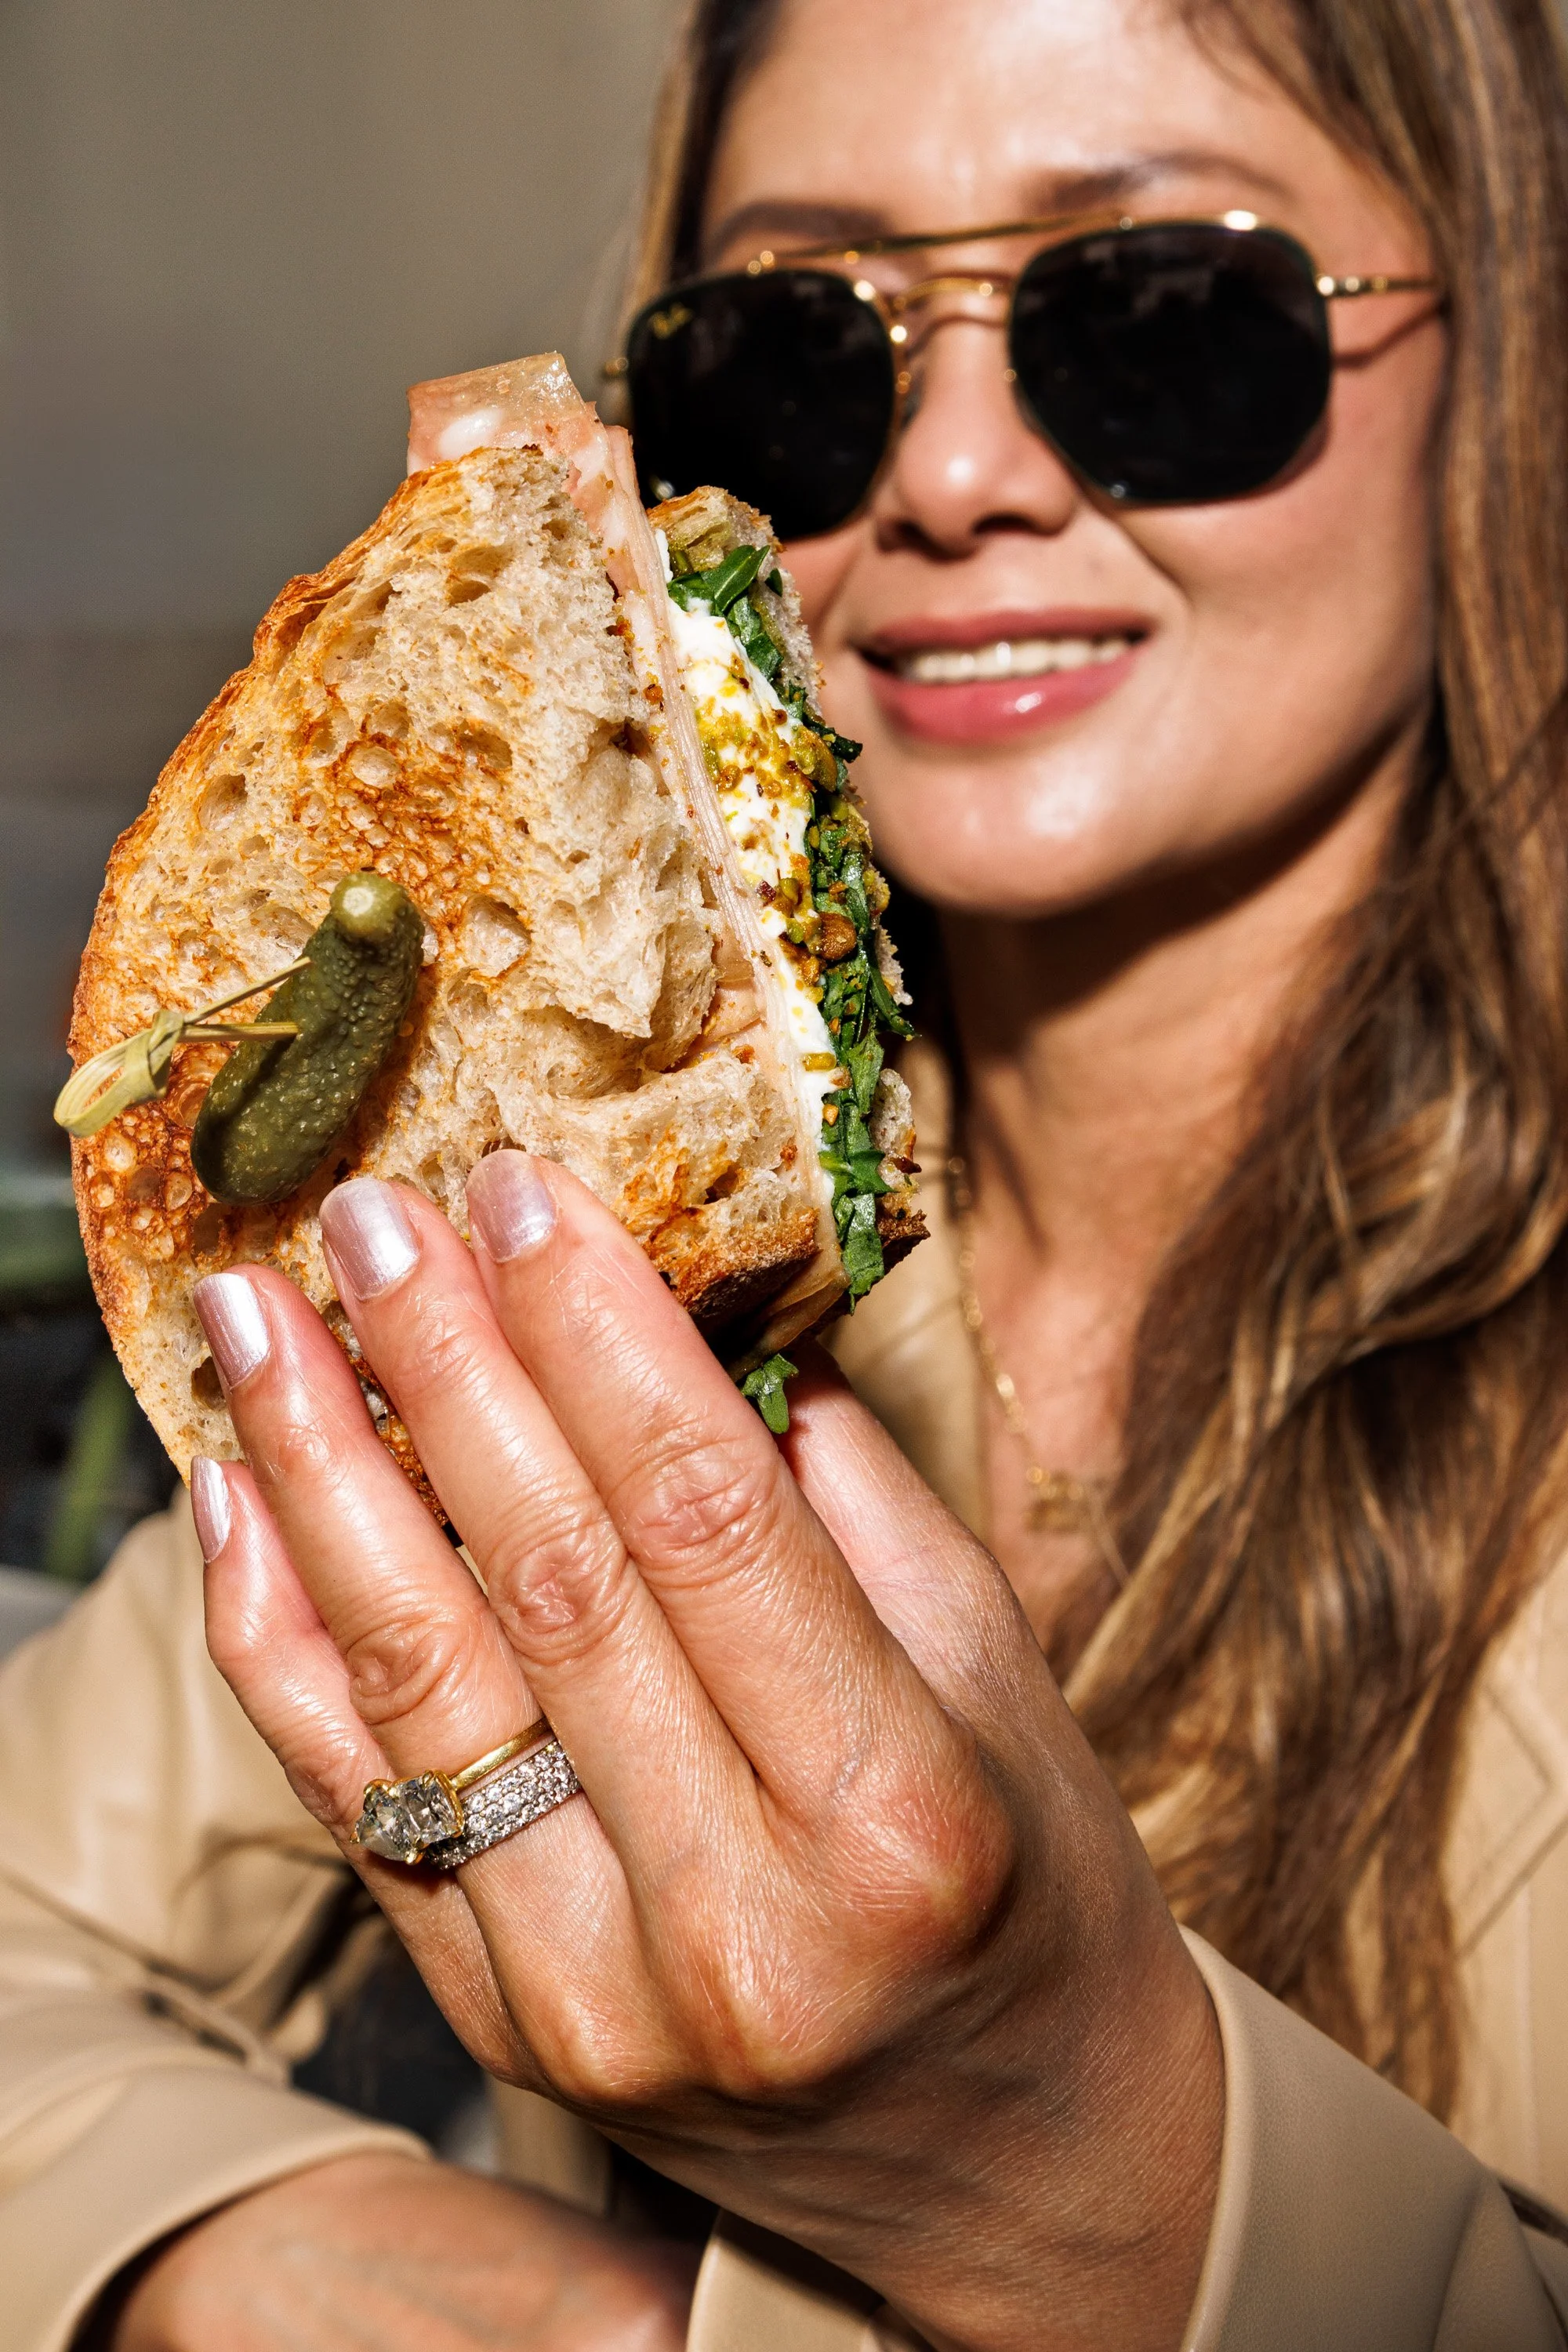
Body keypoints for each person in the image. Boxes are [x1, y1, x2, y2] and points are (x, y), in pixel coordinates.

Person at [6, 0, 1568, 2343]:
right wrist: (457, 2289)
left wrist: (1094, 2167)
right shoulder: (596, 1258)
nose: (946, 473)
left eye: (1158, 314)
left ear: (1513, 368)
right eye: (799, 343)